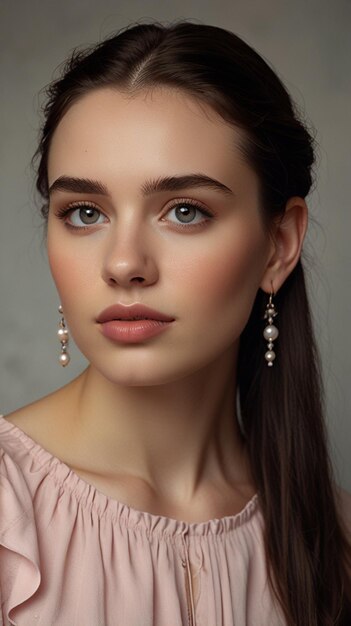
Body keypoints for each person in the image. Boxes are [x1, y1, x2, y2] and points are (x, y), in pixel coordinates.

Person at [0, 19, 350, 626]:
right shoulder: (10, 521)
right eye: (85, 212)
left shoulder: (335, 542)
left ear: (279, 245)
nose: (124, 263)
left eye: (184, 211)